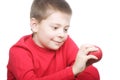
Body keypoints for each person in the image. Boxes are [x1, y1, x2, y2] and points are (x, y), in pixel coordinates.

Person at [7, 0, 100, 80]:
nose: (62, 34)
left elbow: (92, 75)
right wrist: (73, 71)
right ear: (35, 25)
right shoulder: (19, 51)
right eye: (55, 28)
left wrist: (85, 64)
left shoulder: (65, 43)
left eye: (65, 29)